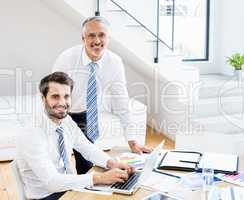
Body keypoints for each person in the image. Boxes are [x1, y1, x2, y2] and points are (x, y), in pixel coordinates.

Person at [53, 16, 152, 174]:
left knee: (87, 164)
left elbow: (121, 102)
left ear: (108, 38)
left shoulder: (114, 62)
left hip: (86, 114)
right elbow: (53, 94)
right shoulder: (67, 59)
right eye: (91, 35)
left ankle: (83, 192)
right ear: (83, 38)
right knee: (58, 161)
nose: (97, 40)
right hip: (60, 113)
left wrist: (132, 140)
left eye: (102, 35)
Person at [16, 72, 134, 200]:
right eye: (55, 96)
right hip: (47, 195)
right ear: (43, 98)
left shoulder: (66, 121)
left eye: (66, 96)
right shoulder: (32, 133)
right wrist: (100, 178)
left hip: (69, 187)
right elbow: (52, 182)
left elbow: (88, 148)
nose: (62, 102)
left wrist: (111, 163)